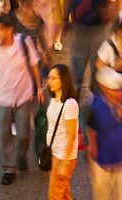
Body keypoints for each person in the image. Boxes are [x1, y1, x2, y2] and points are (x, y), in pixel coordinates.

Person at [0, 15, 43, 184]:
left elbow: (34, 65)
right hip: (3, 97)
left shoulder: (24, 42)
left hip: (24, 96)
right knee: (4, 134)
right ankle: (9, 168)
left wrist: (39, 87)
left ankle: (21, 155)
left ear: (9, 30)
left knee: (24, 134)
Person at [85, 69, 122, 200]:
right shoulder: (95, 107)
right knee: (103, 196)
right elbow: (91, 130)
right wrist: (92, 150)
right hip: (102, 162)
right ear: (105, 89)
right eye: (117, 90)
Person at [44, 64, 82, 200]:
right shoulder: (54, 100)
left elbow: (72, 136)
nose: (50, 82)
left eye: (54, 78)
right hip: (53, 153)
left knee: (54, 196)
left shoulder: (70, 104)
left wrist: (65, 163)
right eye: (49, 78)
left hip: (63, 156)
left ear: (63, 80)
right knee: (64, 194)